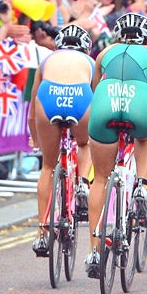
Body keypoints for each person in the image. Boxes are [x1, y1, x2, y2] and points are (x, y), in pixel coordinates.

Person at [85, 13, 147, 278]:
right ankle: (143, 185)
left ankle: (95, 250)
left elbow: (95, 88)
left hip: (105, 103)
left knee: (100, 178)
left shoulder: (104, 54)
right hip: (139, 104)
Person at [28, 25, 95, 257]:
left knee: (48, 165)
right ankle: (83, 185)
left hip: (49, 97)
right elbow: (97, 103)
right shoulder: (90, 62)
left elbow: (31, 109)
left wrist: (35, 138)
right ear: (86, 47)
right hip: (80, 97)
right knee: (85, 144)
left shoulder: (47, 61)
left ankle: (42, 231)